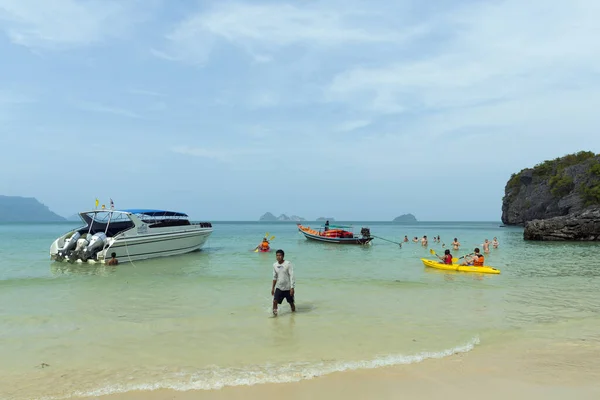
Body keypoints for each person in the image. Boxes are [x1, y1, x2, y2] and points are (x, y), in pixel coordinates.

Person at [271, 249, 295, 316]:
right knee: (275, 301)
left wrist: (292, 287)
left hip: (288, 288)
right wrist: (273, 288)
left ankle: (293, 315)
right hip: (279, 287)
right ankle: (275, 315)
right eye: (277, 255)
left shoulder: (288, 264)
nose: (278, 257)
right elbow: (274, 277)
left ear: (283, 256)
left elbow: (292, 276)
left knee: (291, 303)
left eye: (280, 255)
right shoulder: (274, 265)